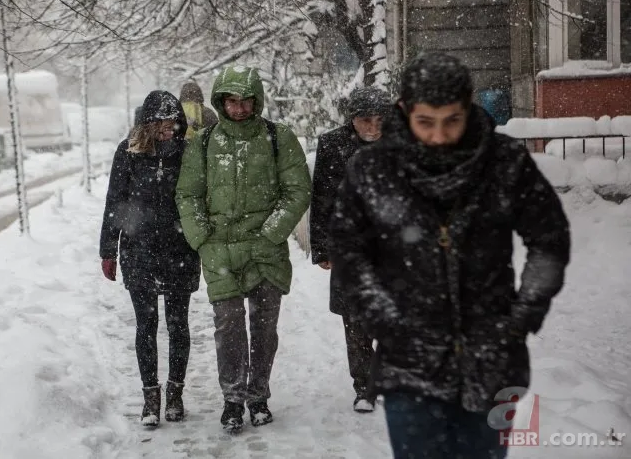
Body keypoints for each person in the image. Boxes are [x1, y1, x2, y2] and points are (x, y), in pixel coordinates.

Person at [328, 52, 571, 459]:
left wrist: (522, 314)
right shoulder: (372, 169)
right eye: (426, 122)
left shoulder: (504, 161)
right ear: (403, 110)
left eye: (451, 121)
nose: (439, 136)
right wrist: (384, 318)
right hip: (407, 363)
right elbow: (349, 251)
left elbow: (549, 239)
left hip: (491, 359)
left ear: (468, 105)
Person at [175, 65, 311, 433]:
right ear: (220, 102)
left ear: (256, 101)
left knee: (265, 328)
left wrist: (270, 232)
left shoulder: (277, 137)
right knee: (229, 327)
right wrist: (201, 237)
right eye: (230, 102)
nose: (238, 109)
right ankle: (233, 399)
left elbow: (297, 189)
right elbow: (188, 194)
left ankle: (259, 395)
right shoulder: (204, 142)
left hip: (265, 249)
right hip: (219, 251)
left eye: (244, 101)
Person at [99, 90, 201, 428]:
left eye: (172, 123)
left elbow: (200, 197)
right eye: (160, 123)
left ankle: (175, 393)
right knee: (146, 325)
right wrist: (107, 249)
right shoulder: (128, 152)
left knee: (177, 324)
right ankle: (150, 397)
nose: (166, 129)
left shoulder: (187, 152)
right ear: (147, 123)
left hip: (180, 250)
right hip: (138, 251)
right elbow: (115, 200)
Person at [309, 86, 392, 413]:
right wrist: (321, 248)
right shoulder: (333, 144)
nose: (372, 128)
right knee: (355, 322)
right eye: (364, 121)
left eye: (378, 120)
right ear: (351, 120)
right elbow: (322, 199)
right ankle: (365, 387)